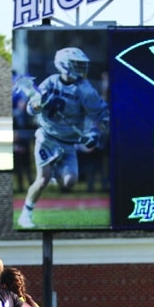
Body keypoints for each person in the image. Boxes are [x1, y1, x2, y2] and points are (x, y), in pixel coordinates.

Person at [17, 46, 109, 228]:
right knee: (42, 179)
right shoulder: (51, 83)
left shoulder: (85, 89)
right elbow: (30, 108)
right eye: (76, 64)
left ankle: (55, 170)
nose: (81, 68)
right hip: (47, 137)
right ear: (64, 65)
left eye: (81, 65)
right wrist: (39, 104)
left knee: (69, 181)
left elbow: (102, 115)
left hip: (68, 142)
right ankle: (25, 215)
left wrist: (94, 134)